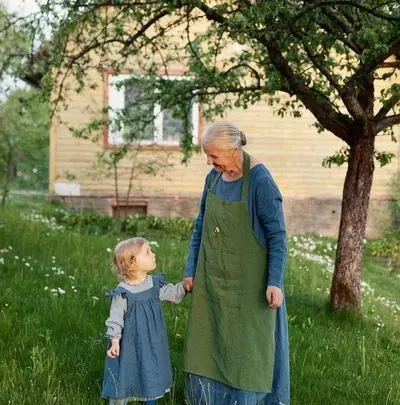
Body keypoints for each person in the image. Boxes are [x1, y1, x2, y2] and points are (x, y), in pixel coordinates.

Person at [183, 120, 290, 405]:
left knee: (249, 351)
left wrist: (275, 282)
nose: (209, 161)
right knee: (210, 342)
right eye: (207, 155)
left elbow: (278, 237)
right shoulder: (213, 178)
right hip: (213, 279)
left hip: (251, 286)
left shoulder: (260, 181)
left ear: (233, 151)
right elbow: (201, 226)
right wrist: (191, 269)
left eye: (213, 155)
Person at [102, 237, 188, 405]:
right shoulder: (123, 293)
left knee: (151, 367)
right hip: (130, 343)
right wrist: (115, 340)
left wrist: (184, 287)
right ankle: (121, 398)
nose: (153, 254)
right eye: (148, 252)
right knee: (128, 369)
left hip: (153, 341)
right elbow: (115, 318)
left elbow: (171, 293)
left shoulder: (153, 284)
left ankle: (150, 400)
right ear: (133, 263)